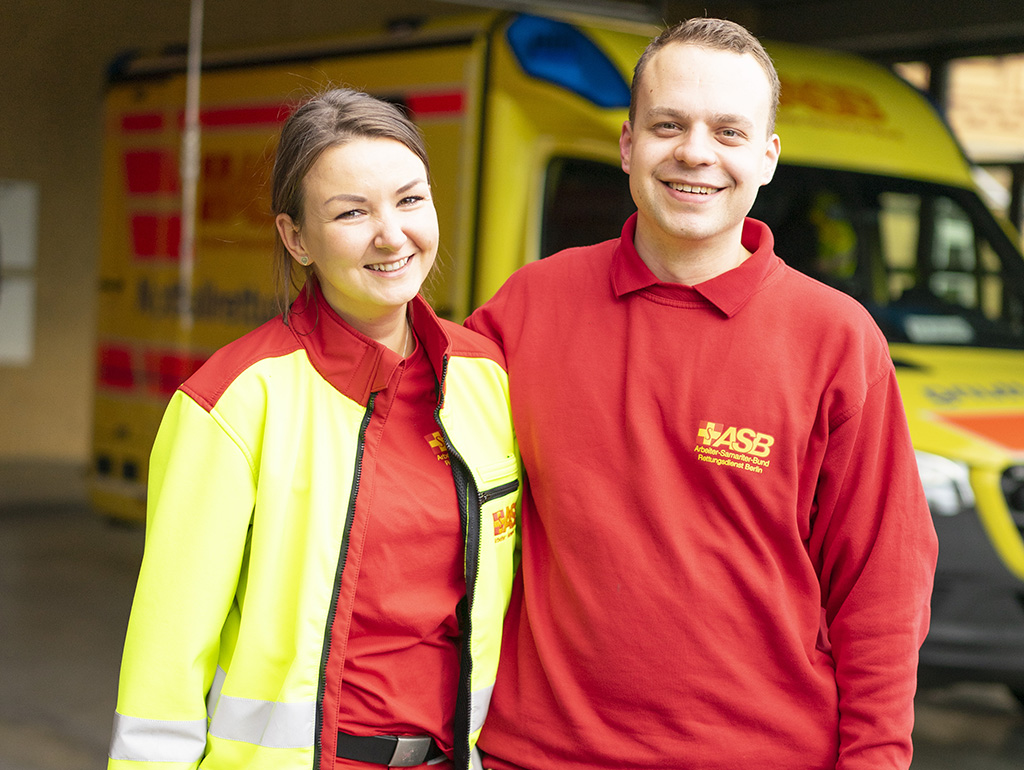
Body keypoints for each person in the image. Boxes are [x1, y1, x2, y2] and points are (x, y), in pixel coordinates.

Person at [466, 17, 938, 770]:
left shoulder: (838, 341)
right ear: (627, 145)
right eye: (667, 125)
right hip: (539, 755)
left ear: (767, 157)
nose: (695, 152)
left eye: (728, 131)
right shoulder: (527, 308)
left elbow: (882, 588)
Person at [108, 88, 520, 770]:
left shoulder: (485, 380)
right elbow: (165, 664)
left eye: (410, 199)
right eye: (351, 212)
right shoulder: (234, 402)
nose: (391, 234)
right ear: (296, 237)